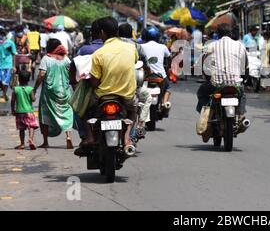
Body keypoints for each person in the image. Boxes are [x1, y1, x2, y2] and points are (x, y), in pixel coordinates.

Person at [79, 17, 138, 148]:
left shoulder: (98, 54)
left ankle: (89, 137)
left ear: (102, 33)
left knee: (83, 110)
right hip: (127, 96)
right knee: (134, 111)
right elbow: (133, 64)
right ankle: (127, 137)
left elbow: (95, 83)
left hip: (102, 96)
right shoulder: (131, 48)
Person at [197, 23, 248, 121]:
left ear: (218, 34)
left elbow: (199, 64)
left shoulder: (211, 45)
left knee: (202, 92)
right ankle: (241, 115)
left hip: (216, 84)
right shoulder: (240, 46)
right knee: (242, 93)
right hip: (235, 84)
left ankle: (206, 117)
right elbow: (246, 66)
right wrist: (243, 78)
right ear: (231, 33)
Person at [33, 39, 74, 149]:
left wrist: (35, 89)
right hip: (65, 92)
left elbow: (41, 74)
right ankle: (68, 136)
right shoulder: (66, 59)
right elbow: (72, 72)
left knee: (44, 115)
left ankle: (45, 141)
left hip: (49, 94)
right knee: (67, 113)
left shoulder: (46, 59)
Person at [140, 26, 172, 106]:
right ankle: (164, 104)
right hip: (160, 77)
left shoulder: (141, 47)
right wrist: (168, 68)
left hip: (144, 76)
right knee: (168, 87)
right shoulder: (163, 47)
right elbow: (169, 58)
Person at [11, 70, 38, 150]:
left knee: (21, 129)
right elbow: (33, 99)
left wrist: (13, 110)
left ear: (19, 79)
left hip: (19, 112)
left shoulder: (16, 89)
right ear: (29, 79)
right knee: (32, 126)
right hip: (29, 111)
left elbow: (13, 101)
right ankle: (30, 139)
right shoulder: (30, 89)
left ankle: (22, 144)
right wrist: (34, 96)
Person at [0, 30, 17, 101]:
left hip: (8, 65)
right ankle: (3, 92)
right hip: (0, 65)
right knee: (1, 81)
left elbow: (14, 54)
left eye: (2, 35)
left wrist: (14, 66)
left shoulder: (10, 43)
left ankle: (4, 93)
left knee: (5, 82)